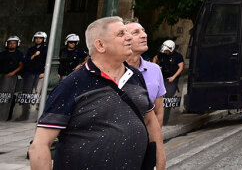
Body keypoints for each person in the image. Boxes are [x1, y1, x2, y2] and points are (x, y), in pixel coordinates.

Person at [29, 16, 164, 170]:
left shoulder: (136, 75)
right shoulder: (72, 85)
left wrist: (160, 162)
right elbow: (39, 146)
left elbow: (150, 121)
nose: (129, 37)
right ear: (100, 45)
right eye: (121, 34)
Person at [125, 19, 168, 135]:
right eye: (136, 32)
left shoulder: (155, 70)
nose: (144, 35)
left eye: (143, 31)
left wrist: (154, 142)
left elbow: (158, 112)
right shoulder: (112, 70)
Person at [1, 36, 25, 121]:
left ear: (17, 44)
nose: (11, 45)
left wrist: (13, 73)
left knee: (10, 97)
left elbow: (21, 65)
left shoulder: (19, 54)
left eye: (14, 43)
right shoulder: (3, 54)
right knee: (3, 97)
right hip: (3, 76)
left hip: (14, 77)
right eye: (10, 43)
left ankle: (8, 115)